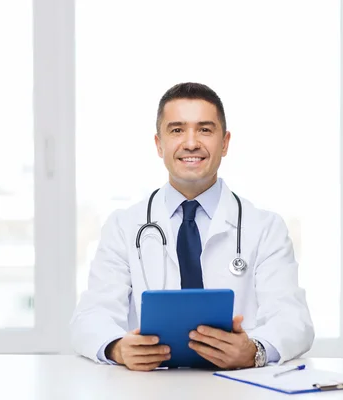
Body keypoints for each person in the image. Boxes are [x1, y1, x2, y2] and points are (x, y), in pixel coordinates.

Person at [70, 82, 314, 371]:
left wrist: (254, 351)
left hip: (236, 387)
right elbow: (90, 316)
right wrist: (118, 348)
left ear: (225, 143)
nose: (190, 143)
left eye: (205, 129)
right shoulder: (124, 226)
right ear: (159, 144)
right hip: (149, 388)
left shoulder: (265, 227)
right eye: (176, 130)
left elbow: (293, 320)